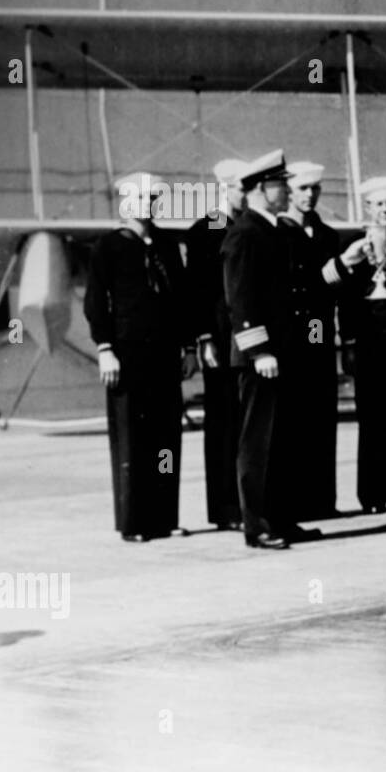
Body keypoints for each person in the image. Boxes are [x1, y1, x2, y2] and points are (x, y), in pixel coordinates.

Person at [85, 171, 195, 542]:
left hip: (165, 355)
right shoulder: (109, 247)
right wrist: (105, 350)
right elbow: (96, 303)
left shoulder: (165, 245)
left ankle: (165, 515)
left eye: (153, 197)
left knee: (165, 438)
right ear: (125, 201)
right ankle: (135, 521)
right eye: (142, 197)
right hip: (128, 358)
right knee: (133, 439)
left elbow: (182, 300)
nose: (148, 204)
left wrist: (189, 347)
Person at [221, 149, 299, 549]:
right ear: (261, 189)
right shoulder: (245, 234)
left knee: (280, 438)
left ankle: (281, 517)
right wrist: (259, 351)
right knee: (256, 442)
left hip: (279, 354)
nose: (287, 189)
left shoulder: (272, 231)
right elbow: (241, 299)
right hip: (261, 358)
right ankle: (258, 525)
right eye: (280, 183)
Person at [332, 176, 386, 514]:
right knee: (373, 418)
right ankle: (374, 494)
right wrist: (347, 341)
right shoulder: (353, 247)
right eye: (379, 205)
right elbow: (345, 300)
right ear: (368, 208)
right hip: (368, 342)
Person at [185, 158, 246, 531]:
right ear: (226, 187)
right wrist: (204, 337)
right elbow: (198, 290)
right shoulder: (206, 230)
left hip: (249, 335)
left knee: (249, 421)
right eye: (242, 187)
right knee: (224, 421)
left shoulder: (251, 225)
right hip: (221, 340)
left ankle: (250, 502)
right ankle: (226, 509)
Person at [280, 160, 340, 520]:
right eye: (302, 189)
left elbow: (332, 292)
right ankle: (297, 500)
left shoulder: (327, 236)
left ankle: (322, 499)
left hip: (318, 328)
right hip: (291, 332)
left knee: (321, 414)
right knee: (295, 419)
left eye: (314, 188)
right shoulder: (279, 234)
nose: (309, 195)